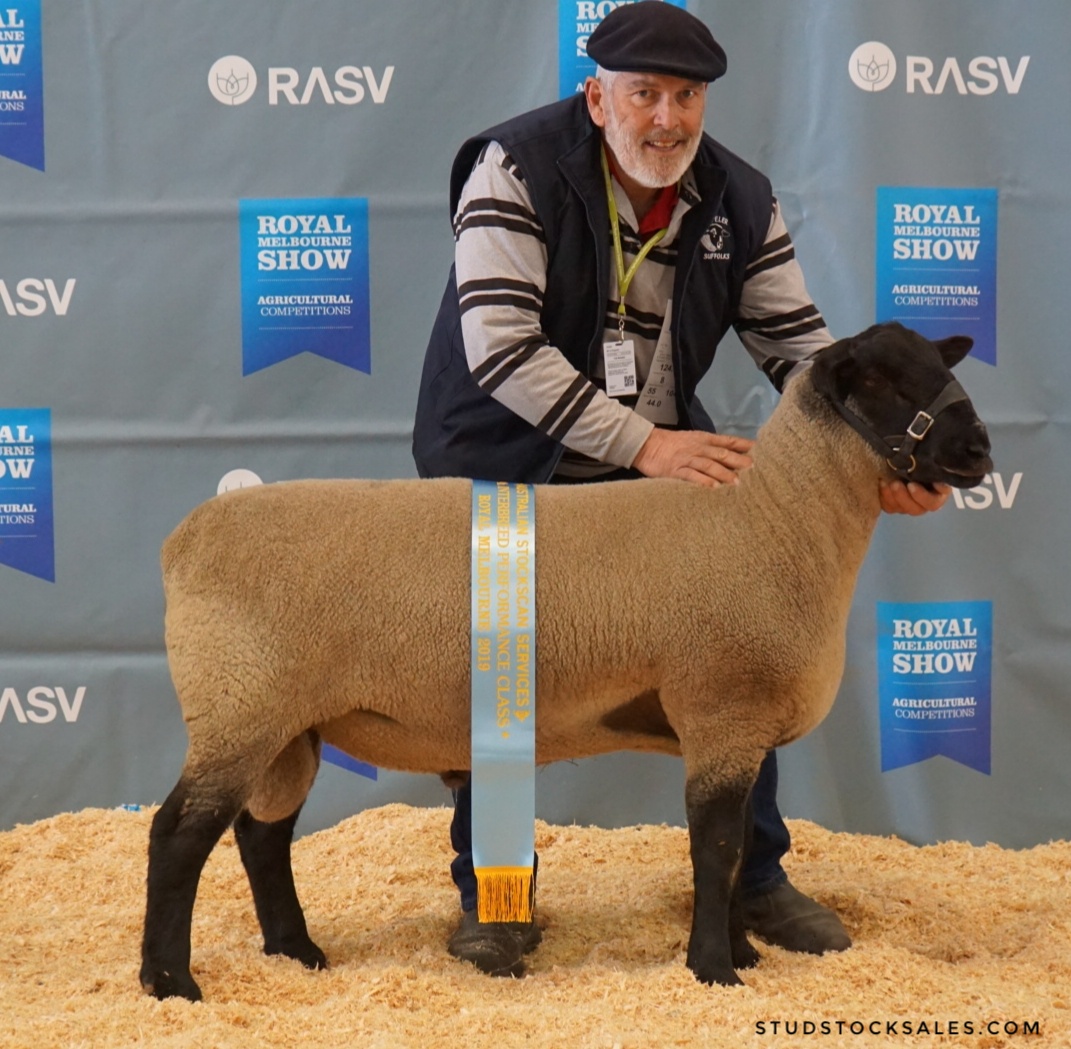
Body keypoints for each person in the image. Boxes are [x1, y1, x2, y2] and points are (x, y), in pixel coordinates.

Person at [412, 1, 948, 977]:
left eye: (687, 94)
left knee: (740, 650)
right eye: (644, 92)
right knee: (499, 670)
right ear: (596, 95)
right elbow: (501, 347)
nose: (667, 116)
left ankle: (755, 878)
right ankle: (496, 891)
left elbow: (803, 353)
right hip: (501, 453)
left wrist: (885, 456)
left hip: (649, 457)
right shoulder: (516, 169)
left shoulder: (739, 196)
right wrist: (646, 444)